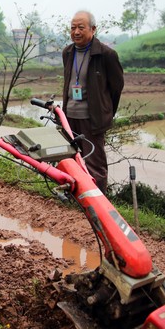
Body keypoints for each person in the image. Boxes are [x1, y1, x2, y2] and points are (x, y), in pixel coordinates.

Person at [62, 10, 124, 194]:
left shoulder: (106, 55)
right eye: (73, 28)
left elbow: (116, 88)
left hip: (92, 119)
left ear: (93, 29)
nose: (76, 32)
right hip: (69, 117)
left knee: (94, 164)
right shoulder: (67, 53)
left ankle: (98, 202)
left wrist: (104, 112)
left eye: (81, 27)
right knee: (71, 161)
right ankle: (76, 197)